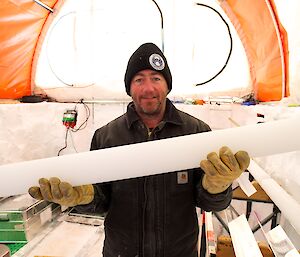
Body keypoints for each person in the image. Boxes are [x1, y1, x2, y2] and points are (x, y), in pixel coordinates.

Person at [29, 42, 250, 257]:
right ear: (129, 87)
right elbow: (101, 201)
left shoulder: (197, 132)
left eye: (156, 78)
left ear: (167, 85)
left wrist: (218, 187)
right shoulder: (106, 137)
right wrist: (82, 197)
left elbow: (211, 204)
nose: (148, 88)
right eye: (138, 80)